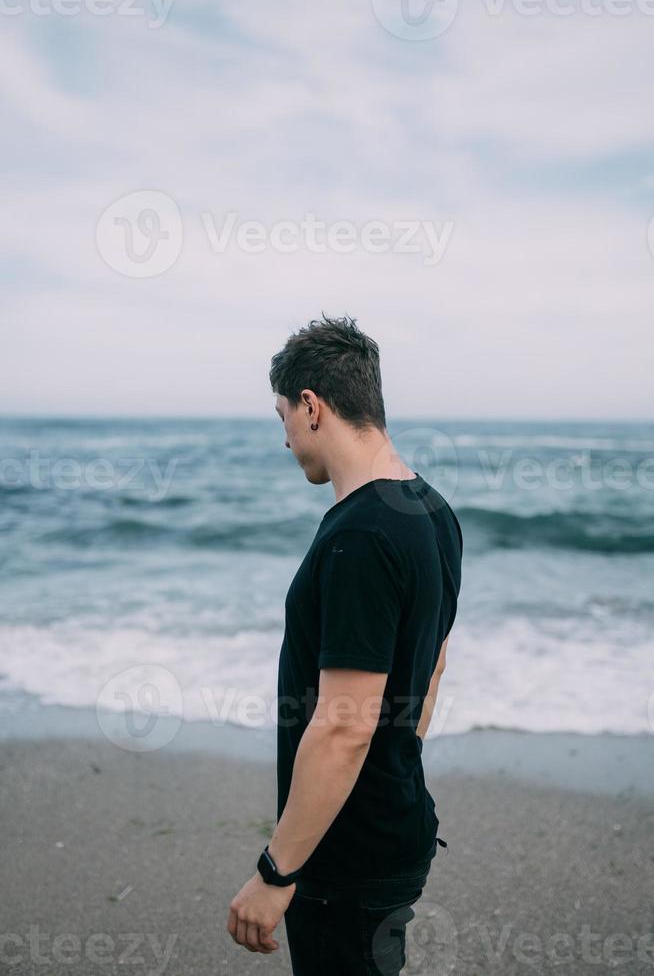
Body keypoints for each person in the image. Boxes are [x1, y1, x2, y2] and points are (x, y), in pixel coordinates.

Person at [227, 314, 463, 974]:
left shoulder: (358, 536)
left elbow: (343, 729)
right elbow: (434, 662)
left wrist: (277, 872)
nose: (284, 440)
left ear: (311, 406)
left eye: (281, 417)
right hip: (396, 821)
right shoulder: (432, 512)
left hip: (346, 854)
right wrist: (396, 765)